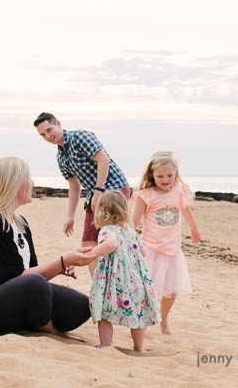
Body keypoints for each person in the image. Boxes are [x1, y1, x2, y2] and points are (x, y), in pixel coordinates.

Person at [0, 156, 95, 337]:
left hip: (14, 295)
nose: (33, 182)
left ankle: (32, 320)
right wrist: (63, 261)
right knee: (35, 283)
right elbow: (21, 277)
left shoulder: (20, 223)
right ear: (14, 183)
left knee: (81, 306)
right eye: (28, 178)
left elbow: (30, 270)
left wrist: (60, 268)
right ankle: (48, 328)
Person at [33, 112, 130, 274]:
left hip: (115, 190)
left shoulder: (80, 137)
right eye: (43, 135)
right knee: (88, 244)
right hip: (95, 195)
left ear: (58, 122)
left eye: (49, 130)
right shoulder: (60, 156)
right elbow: (74, 186)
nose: (48, 136)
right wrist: (70, 216)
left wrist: (98, 191)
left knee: (113, 239)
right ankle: (98, 289)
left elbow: (103, 160)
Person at [131, 150, 201, 335]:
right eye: (160, 176)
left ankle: (163, 318)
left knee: (171, 292)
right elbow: (134, 220)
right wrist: (129, 237)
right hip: (150, 249)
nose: (165, 179)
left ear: (176, 173)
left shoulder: (179, 191)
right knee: (147, 289)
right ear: (152, 175)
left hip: (172, 250)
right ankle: (142, 322)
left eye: (170, 175)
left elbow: (185, 210)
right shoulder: (146, 195)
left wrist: (194, 227)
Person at [87, 190, 160, 351]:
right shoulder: (130, 230)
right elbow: (143, 252)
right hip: (136, 280)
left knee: (105, 313)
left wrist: (93, 253)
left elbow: (111, 244)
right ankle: (138, 347)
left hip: (114, 281)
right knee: (138, 313)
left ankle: (105, 344)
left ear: (101, 212)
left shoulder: (107, 230)